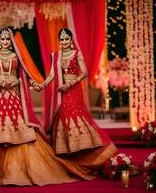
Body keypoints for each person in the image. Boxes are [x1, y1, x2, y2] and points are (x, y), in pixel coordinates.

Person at [0, 26, 92, 186]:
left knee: (21, 127)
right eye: (3, 39)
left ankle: (22, 169)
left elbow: (25, 74)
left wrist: (27, 82)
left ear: (11, 41)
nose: (5, 41)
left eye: (7, 38)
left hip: (13, 96)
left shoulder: (15, 56)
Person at [43, 27, 117, 171]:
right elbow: (52, 74)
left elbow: (85, 72)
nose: (64, 41)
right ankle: (67, 153)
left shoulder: (76, 54)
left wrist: (69, 84)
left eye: (67, 39)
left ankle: (81, 150)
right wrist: (42, 84)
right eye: (62, 39)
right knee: (62, 115)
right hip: (61, 90)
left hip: (73, 89)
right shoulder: (56, 56)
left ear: (71, 40)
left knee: (74, 114)